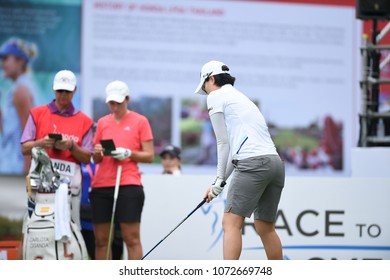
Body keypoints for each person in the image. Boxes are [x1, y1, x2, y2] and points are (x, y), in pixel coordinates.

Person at [194, 60, 285, 260]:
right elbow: (234, 152)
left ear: (211, 78)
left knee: (230, 223)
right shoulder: (240, 97)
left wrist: (218, 180)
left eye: (205, 87)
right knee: (265, 227)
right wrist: (218, 183)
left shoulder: (216, 96)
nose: (206, 92)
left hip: (253, 164)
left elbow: (222, 142)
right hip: (275, 164)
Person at [21, 69, 94, 230]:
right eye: (60, 90)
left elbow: (87, 158)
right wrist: (42, 143)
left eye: (67, 91)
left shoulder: (85, 121)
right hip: (39, 186)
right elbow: (25, 148)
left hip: (71, 189)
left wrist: (72, 146)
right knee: (33, 229)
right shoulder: (37, 113)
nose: (63, 94)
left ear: (75, 90)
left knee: (70, 230)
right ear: (54, 88)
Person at [90, 80, 154, 260]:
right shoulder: (102, 122)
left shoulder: (140, 121)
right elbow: (96, 159)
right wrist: (98, 152)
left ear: (127, 99)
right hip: (102, 184)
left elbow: (149, 155)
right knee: (102, 240)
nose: (115, 107)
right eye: (111, 103)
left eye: (119, 102)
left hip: (128, 183)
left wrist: (128, 153)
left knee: (131, 238)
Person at [0, 37, 39, 175]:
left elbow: (29, 136)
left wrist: (26, 174)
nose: (2, 64)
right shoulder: (18, 88)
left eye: (6, 59)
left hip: (16, 171)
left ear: (20, 61)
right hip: (9, 167)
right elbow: (6, 133)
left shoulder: (21, 91)